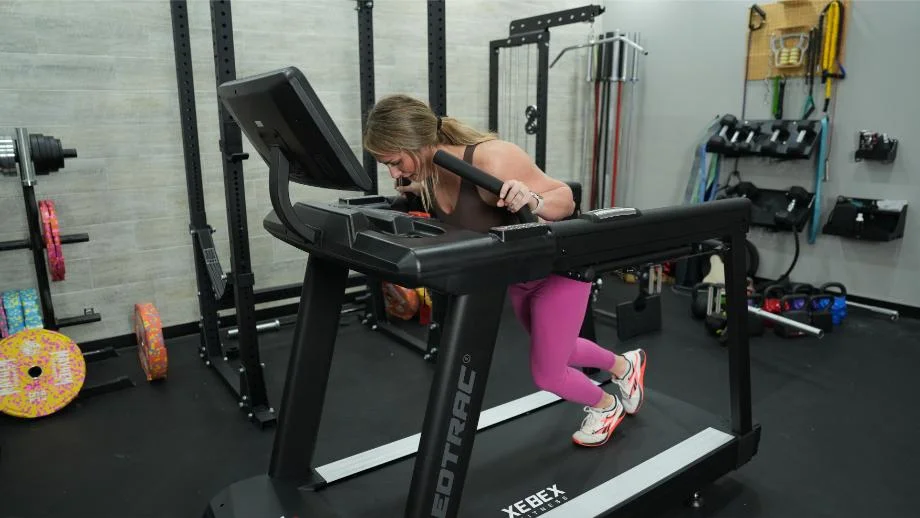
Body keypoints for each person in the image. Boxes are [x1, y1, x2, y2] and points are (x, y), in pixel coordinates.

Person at [363, 94, 647, 447]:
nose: (393, 173)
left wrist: (532, 199)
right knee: (559, 346)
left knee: (548, 373)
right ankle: (625, 366)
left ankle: (606, 406)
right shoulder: (432, 175)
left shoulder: (491, 159)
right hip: (520, 276)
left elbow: (565, 199)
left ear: (417, 142)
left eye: (395, 162)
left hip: (561, 269)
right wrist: (415, 190)